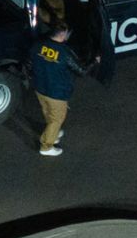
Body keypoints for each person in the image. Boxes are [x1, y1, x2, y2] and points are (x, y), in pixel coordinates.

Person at [31, 22, 96, 157]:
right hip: (57, 92)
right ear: (62, 34)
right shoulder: (64, 52)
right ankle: (46, 145)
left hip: (40, 87)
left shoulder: (38, 45)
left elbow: (30, 61)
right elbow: (82, 71)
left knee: (48, 112)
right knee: (57, 119)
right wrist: (95, 61)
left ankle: (53, 133)